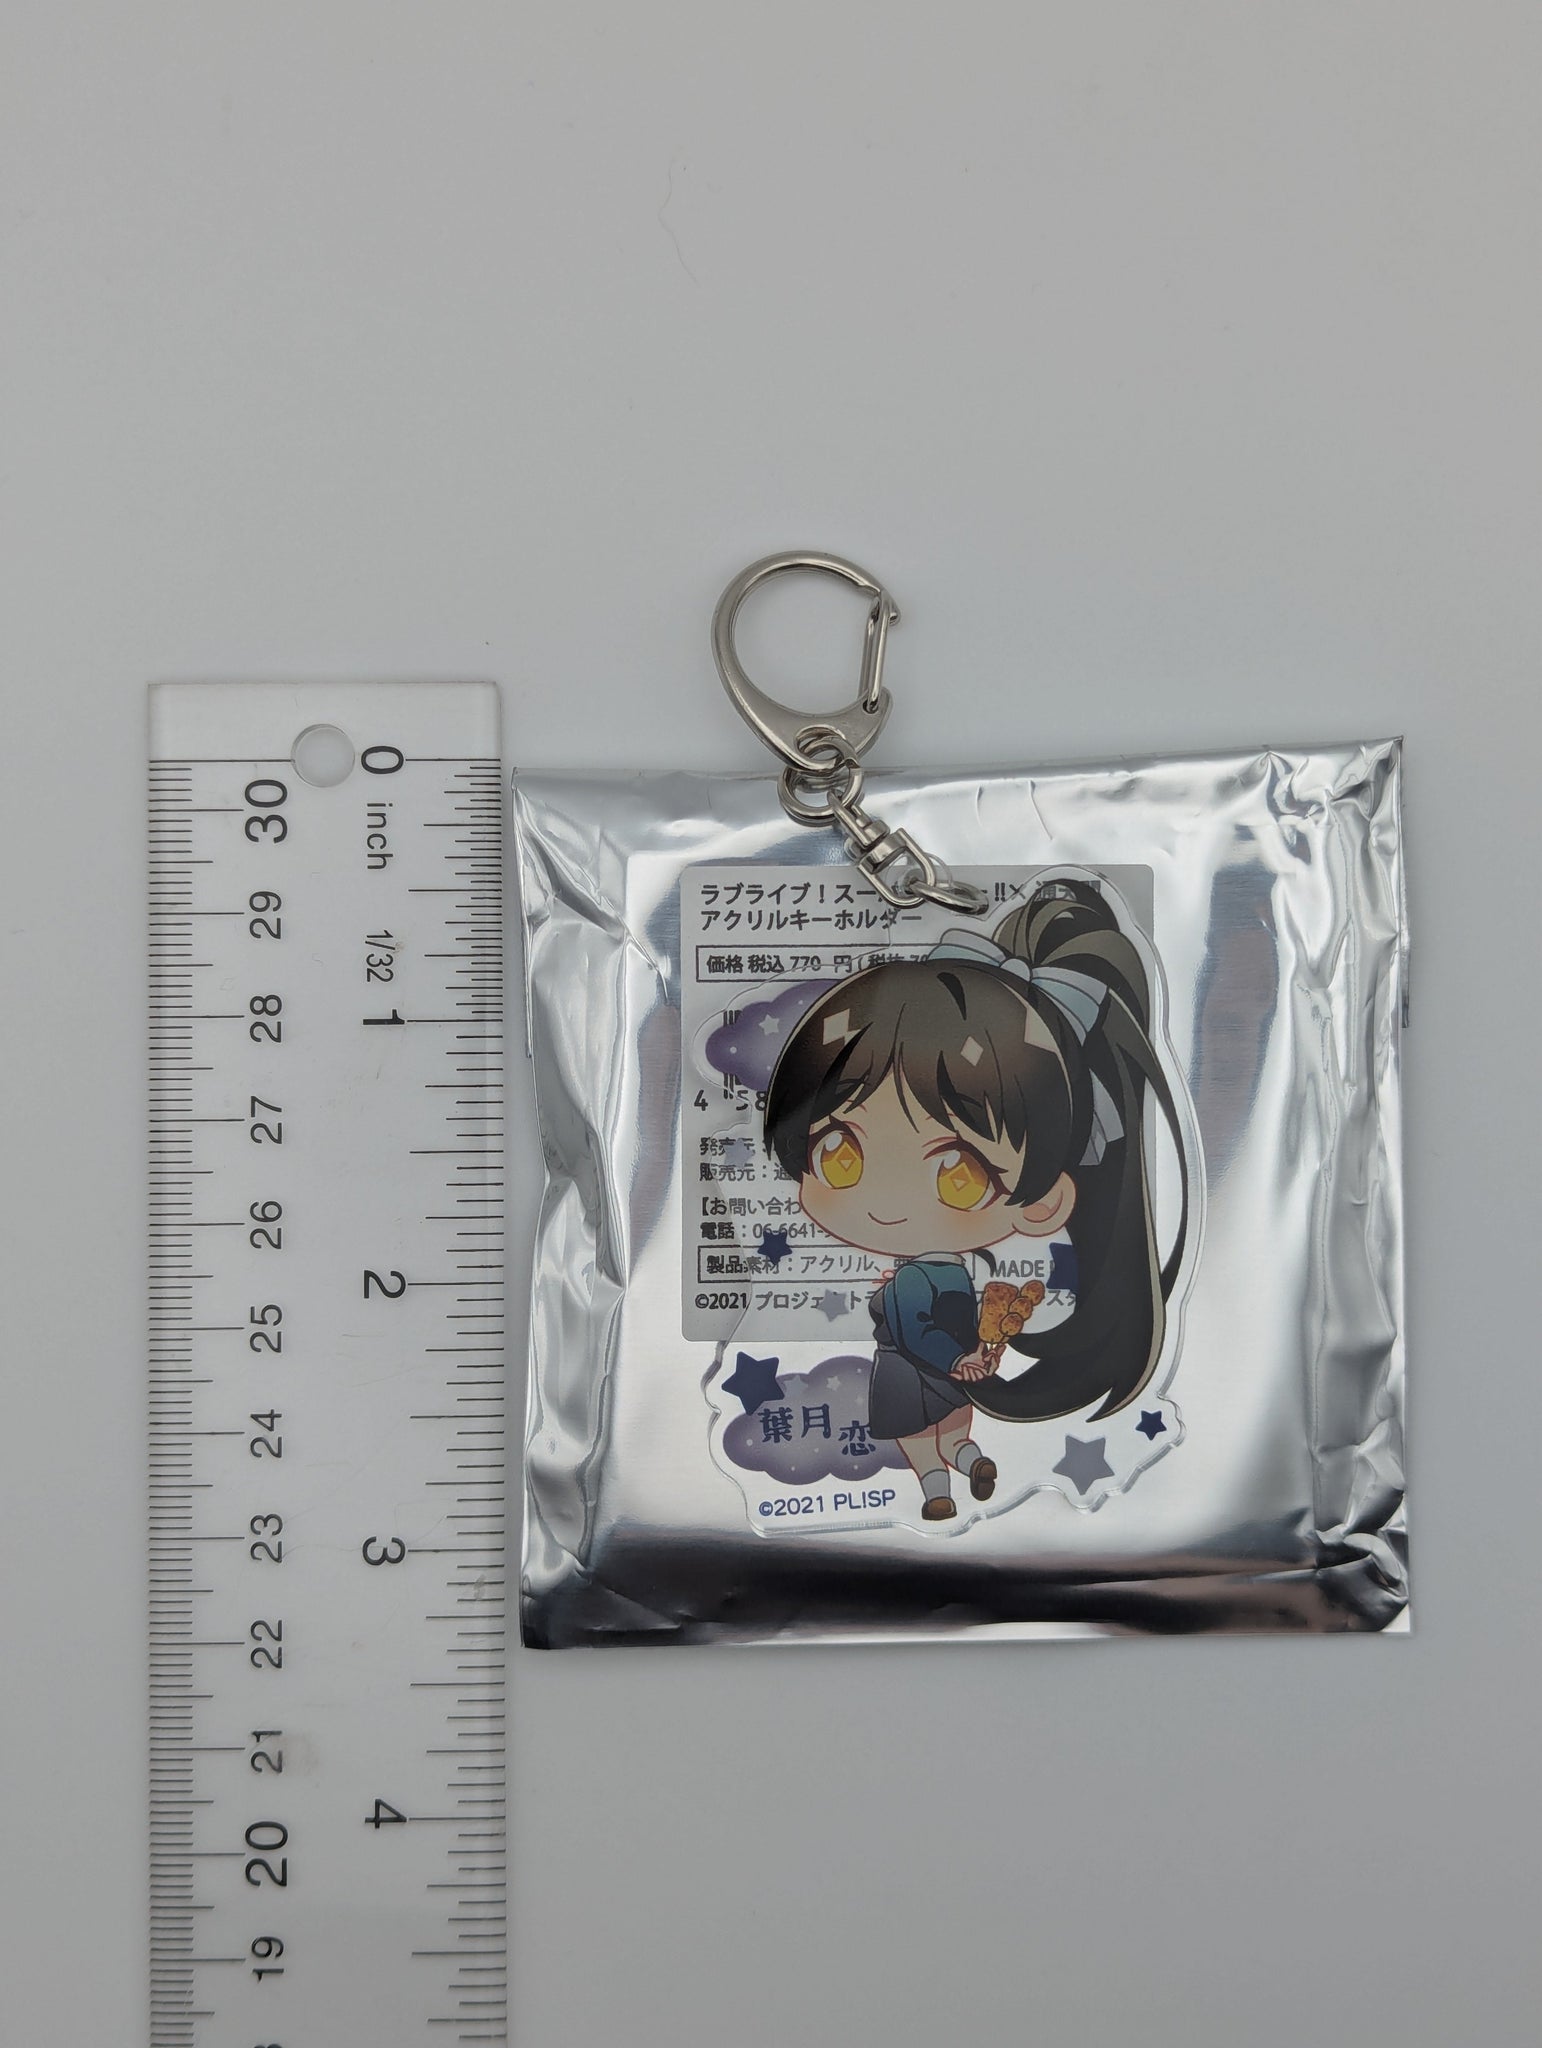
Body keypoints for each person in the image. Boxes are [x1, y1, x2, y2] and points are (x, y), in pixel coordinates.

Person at [763, 876, 1190, 1520]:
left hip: (917, 1370)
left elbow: (914, 1327)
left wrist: (951, 1347)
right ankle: (967, 1461)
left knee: (916, 1438)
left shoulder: (921, 1280)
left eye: (957, 1174)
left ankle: (938, 1493)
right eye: (839, 1153)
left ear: (1042, 1203)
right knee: (954, 1428)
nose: (886, 1203)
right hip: (959, 1369)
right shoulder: (953, 1274)